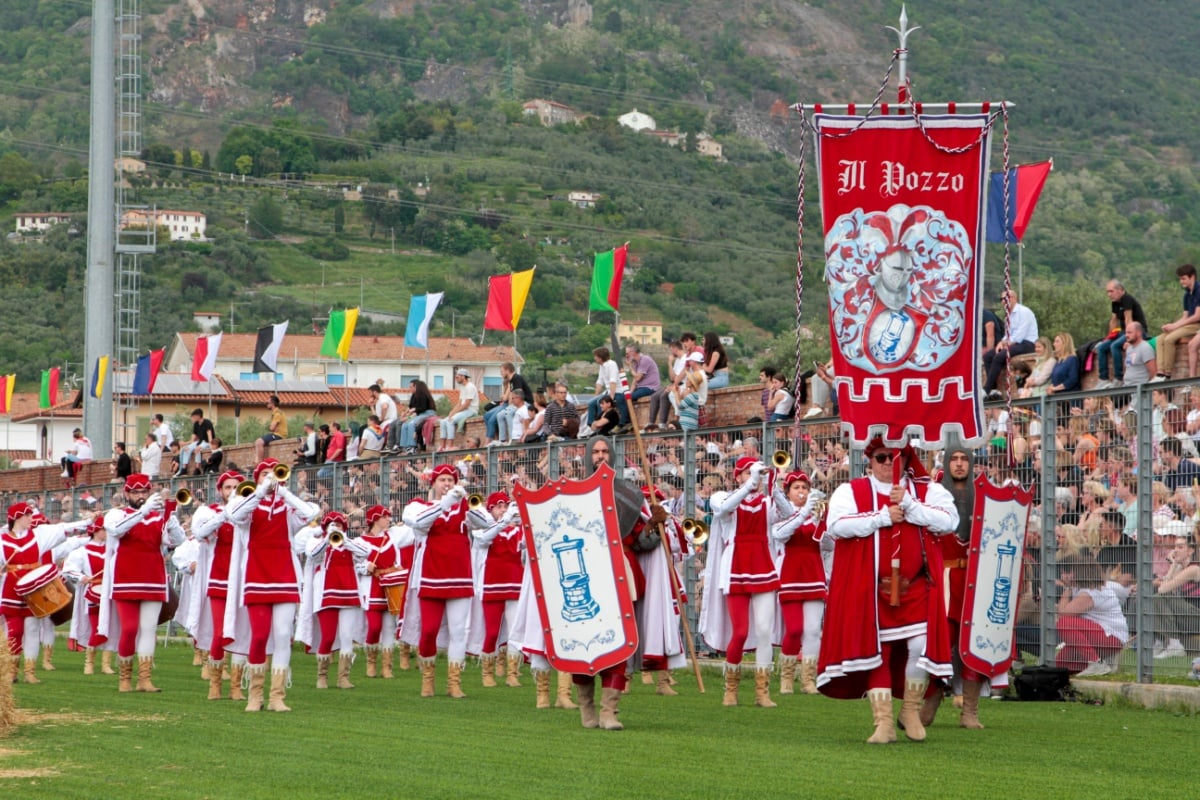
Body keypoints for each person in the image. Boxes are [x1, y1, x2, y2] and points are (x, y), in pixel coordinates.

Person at [818, 438, 958, 744]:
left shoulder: (926, 490)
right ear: (870, 459)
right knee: (877, 652)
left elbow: (949, 521)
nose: (887, 464)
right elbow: (837, 525)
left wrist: (910, 506)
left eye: (895, 458)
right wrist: (881, 517)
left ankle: (910, 709)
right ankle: (883, 722)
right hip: (869, 588)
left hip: (917, 585)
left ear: (906, 460)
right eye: (881, 457)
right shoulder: (850, 491)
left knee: (921, 646)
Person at [225, 458, 321, 712]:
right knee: (258, 636)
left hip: (285, 575)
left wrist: (285, 492)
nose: (270, 477)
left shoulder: (287, 507)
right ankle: (255, 695)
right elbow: (234, 515)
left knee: (282, 634)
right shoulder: (245, 502)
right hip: (256, 574)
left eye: (274, 473)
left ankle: (277, 695)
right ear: (256, 478)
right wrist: (260, 491)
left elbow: (311, 514)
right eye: (264, 473)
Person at [400, 463, 492, 698]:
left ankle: (454, 682)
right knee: (428, 630)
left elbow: (487, 523)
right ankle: (428, 679)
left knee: (458, 631)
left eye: (451, 480)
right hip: (431, 576)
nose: (447, 484)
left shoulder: (465, 508)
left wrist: (467, 501)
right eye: (442, 480)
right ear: (433, 483)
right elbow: (418, 523)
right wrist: (445, 503)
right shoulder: (419, 506)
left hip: (460, 576)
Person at [700, 456, 781, 708]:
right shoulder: (721, 496)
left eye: (753, 472)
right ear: (737, 477)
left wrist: (775, 486)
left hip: (763, 566)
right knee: (741, 632)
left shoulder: (767, 502)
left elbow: (789, 514)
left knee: (765, 631)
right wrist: (749, 484)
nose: (752, 476)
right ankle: (731, 688)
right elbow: (723, 510)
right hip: (735, 568)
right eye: (746, 472)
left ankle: (762, 691)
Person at [919, 445, 989, 730]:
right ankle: (926, 706)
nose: (959, 464)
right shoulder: (934, 495)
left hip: (975, 581)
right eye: (954, 459)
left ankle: (969, 711)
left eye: (964, 459)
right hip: (944, 580)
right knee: (939, 646)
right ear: (946, 463)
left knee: (975, 645)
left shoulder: (984, 497)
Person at [101, 474, 187, 692]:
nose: (140, 496)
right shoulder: (116, 513)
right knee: (129, 629)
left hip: (153, 577)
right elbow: (116, 530)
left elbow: (179, 542)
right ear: (127, 494)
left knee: (149, 629)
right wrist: (143, 510)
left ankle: (145, 678)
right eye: (136, 492)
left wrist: (172, 522)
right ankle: (125, 678)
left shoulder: (158, 517)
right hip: (126, 578)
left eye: (144, 492)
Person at [1, 502, 88, 684]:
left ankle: (30, 672)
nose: (31, 519)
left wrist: (87, 522)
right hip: (12, 589)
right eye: (27, 516)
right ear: (17, 518)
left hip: (34, 588)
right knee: (15, 630)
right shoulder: (2, 540)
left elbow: (63, 529)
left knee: (32, 629)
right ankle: (12, 670)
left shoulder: (38, 536)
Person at [187, 470, 250, 701]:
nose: (232, 491)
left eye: (236, 487)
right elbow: (200, 532)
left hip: (244, 580)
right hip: (219, 578)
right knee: (219, 633)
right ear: (220, 490)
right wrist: (226, 513)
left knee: (242, 633)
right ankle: (215, 683)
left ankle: (236, 686)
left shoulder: (249, 514)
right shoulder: (210, 511)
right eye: (228, 487)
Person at [769, 470, 826, 695]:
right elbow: (780, 535)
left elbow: (829, 545)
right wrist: (803, 514)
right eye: (796, 488)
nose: (801, 492)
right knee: (794, 629)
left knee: (812, 630)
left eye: (804, 488)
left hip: (814, 573)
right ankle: (786, 678)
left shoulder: (816, 514)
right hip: (790, 575)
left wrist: (823, 521)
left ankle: (808, 679)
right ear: (788, 492)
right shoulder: (782, 514)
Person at [299, 511, 366, 690]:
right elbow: (313, 555)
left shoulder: (351, 544)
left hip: (349, 593)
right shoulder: (316, 541)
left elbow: (365, 552)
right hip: (326, 594)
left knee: (346, 636)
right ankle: (322, 676)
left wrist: (344, 538)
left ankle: (343, 677)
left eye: (338, 524)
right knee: (327, 637)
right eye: (331, 523)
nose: (335, 527)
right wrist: (328, 537)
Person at [470, 492, 526, 689]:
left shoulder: (519, 530)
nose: (503, 510)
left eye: (506, 507)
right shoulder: (482, 528)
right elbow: (484, 540)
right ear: (490, 509)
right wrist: (504, 522)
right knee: (492, 631)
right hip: (491, 585)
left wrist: (525, 518)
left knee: (515, 632)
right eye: (498, 507)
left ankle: (512, 673)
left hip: (515, 584)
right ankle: (487, 672)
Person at [356, 505, 414, 678]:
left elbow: (414, 531)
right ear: (375, 519)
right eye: (385, 517)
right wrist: (366, 566)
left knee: (389, 627)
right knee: (374, 627)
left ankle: (387, 666)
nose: (388, 519)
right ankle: (371, 663)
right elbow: (355, 563)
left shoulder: (393, 537)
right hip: (372, 587)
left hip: (391, 586)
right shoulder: (361, 542)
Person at [1054, 552, 1130, 676]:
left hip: (1110, 636)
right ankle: (1103, 662)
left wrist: (1067, 590)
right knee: (1059, 666)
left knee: (1064, 623)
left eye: (1069, 572)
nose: (1065, 576)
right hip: (1096, 634)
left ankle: (1095, 663)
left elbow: (1064, 614)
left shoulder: (1090, 593)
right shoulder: (1089, 588)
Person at [61, 517, 117, 677]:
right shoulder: (82, 551)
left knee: (110, 627)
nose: (107, 533)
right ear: (96, 531)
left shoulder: (112, 550)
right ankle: (89, 663)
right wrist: (81, 577)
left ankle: (106, 664)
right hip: (92, 594)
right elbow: (68, 569)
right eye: (104, 530)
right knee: (97, 628)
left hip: (109, 593)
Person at [1150, 533, 1200, 661]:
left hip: (1195, 615)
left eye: (1180, 547)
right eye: (1175, 547)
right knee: (1157, 598)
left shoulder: (1193, 568)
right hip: (1184, 613)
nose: (1176, 550)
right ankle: (1164, 642)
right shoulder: (1180, 568)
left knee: (1158, 597)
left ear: (1190, 550)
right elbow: (1166, 587)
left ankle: (1174, 645)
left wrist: (1173, 565)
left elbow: (1163, 588)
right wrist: (1173, 564)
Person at [983, 290, 1039, 398]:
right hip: (1014, 342)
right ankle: (993, 388)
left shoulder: (1024, 312)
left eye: (1005, 298)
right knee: (988, 356)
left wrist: (1005, 344)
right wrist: (1001, 343)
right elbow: (1008, 334)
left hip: (1026, 343)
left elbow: (1019, 335)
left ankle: (987, 388)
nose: (1003, 301)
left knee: (1000, 357)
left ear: (1013, 298)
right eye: (1001, 299)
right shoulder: (1009, 315)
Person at [1095, 280, 1149, 388]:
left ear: (1120, 290)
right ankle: (1103, 378)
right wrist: (1108, 337)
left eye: (1111, 291)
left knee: (1114, 346)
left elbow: (1128, 319)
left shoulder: (1126, 299)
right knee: (1101, 347)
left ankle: (1118, 378)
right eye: (1107, 292)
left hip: (1137, 331)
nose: (1109, 294)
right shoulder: (1115, 302)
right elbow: (1114, 321)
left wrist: (1129, 340)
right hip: (1124, 331)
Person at [1158, 263, 1200, 380]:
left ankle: (1168, 373)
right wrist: (1173, 325)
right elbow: (1185, 316)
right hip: (1189, 324)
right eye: (1180, 279)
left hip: (1196, 324)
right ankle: (1160, 372)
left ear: (1192, 277)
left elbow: (1197, 316)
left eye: (1183, 278)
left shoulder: (1199, 290)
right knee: (1160, 338)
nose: (1181, 281)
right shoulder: (1187, 295)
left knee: (1169, 339)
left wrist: (1176, 327)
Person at [646, 340, 686, 431]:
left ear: (675, 349)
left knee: (664, 395)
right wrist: (669, 363)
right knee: (654, 396)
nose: (671, 352)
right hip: (674, 383)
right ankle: (651, 422)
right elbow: (672, 377)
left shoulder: (684, 359)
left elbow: (677, 378)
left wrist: (672, 385)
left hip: (681, 384)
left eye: (671, 350)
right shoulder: (677, 361)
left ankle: (662, 423)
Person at [439, 369, 480, 452]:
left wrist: (454, 414)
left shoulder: (470, 387)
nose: (456, 378)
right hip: (464, 410)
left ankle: (450, 446)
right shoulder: (463, 387)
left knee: (450, 421)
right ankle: (442, 446)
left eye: (457, 377)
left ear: (463, 377)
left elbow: (466, 404)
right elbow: (460, 403)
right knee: (443, 422)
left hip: (471, 410)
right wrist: (452, 412)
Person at [585, 347, 622, 432]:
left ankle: (600, 423)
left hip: (616, 390)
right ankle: (590, 424)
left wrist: (611, 396)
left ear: (600, 357)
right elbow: (600, 381)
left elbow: (613, 381)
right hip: (608, 391)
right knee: (591, 403)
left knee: (599, 403)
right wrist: (596, 396)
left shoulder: (612, 365)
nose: (595, 358)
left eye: (596, 356)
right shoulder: (602, 366)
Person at [623, 344, 661, 426]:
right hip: (641, 387)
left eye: (627, 353)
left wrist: (630, 366)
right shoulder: (636, 363)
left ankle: (627, 422)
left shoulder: (644, 360)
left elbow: (638, 378)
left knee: (629, 398)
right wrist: (630, 391)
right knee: (627, 396)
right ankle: (626, 420)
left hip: (650, 387)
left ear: (633, 352)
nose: (626, 356)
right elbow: (634, 381)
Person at [398, 379, 438, 453]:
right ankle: (404, 445)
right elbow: (411, 407)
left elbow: (422, 408)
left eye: (412, 387)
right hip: (419, 414)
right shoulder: (414, 396)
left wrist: (413, 410)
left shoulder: (423, 395)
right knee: (404, 424)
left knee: (411, 424)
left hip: (428, 413)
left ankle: (412, 446)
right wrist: (407, 414)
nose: (410, 389)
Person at [177, 409, 215, 477]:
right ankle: (184, 468)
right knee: (187, 449)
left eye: (193, 417)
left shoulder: (207, 422)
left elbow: (209, 434)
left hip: (206, 442)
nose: (192, 419)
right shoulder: (196, 424)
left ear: (198, 416)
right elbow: (193, 438)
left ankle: (197, 468)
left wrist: (211, 445)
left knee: (197, 449)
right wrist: (186, 444)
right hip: (199, 441)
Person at [1122, 321, 1158, 388]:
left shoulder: (1145, 348)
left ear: (1138, 333)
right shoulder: (1129, 348)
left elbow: (1153, 372)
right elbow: (1129, 367)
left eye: (1129, 332)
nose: (1126, 335)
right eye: (1126, 332)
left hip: (1139, 391)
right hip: (1127, 387)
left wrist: (1146, 389)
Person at [255, 395, 288, 462]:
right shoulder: (278, 412)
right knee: (259, 442)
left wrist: (271, 427)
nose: (266, 405)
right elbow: (273, 428)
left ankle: (259, 462)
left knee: (259, 442)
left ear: (272, 404)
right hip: (277, 434)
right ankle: (256, 461)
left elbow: (272, 428)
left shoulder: (277, 413)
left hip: (279, 435)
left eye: (267, 403)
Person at [367, 384, 400, 450]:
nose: (370, 395)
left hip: (389, 421)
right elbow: (375, 417)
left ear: (375, 392)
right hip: (383, 423)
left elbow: (384, 407)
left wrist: (382, 418)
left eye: (370, 393)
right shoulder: (378, 401)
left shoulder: (383, 397)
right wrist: (371, 406)